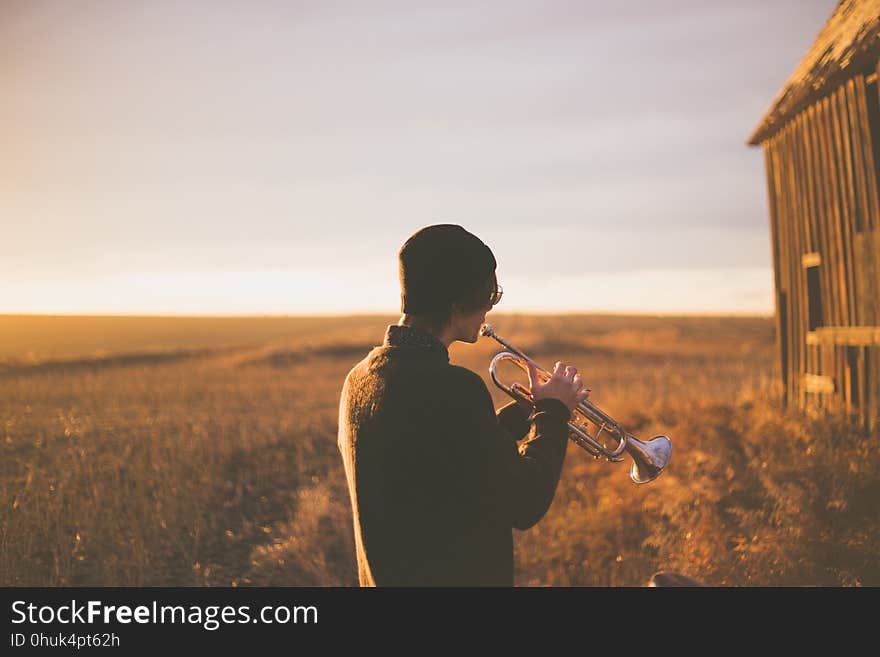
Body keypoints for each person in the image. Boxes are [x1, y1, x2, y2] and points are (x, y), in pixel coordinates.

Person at [337, 224, 589, 586]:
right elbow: (525, 501)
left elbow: (438, 460)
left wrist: (528, 411)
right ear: (458, 305)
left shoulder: (359, 379)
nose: (490, 308)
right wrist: (552, 415)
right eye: (489, 295)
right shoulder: (454, 388)